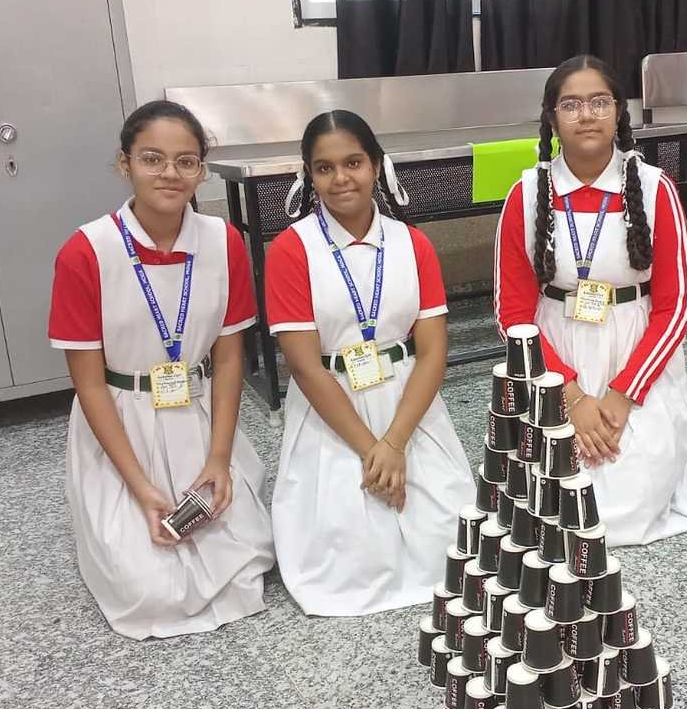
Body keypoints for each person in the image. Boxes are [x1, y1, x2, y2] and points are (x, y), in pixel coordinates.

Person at [48, 100, 275, 639]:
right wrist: (141, 486)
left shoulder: (223, 242)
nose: (170, 174)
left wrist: (219, 458)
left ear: (201, 170)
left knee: (249, 559)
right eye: (152, 159)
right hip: (121, 422)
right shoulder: (86, 251)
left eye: (186, 161)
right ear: (124, 163)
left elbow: (228, 358)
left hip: (195, 412)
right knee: (148, 591)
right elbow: (88, 383)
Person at [494, 54, 687, 547]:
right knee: (550, 503)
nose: (586, 115)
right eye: (571, 104)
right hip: (556, 360)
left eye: (599, 102)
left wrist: (622, 394)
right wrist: (570, 398)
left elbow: (676, 305)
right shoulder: (526, 194)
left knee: (625, 509)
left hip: (635, 355)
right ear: (552, 117)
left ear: (619, 111)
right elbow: (512, 314)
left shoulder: (655, 189)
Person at [264, 110, 473, 615]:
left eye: (353, 163)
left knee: (451, 542)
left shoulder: (412, 243)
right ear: (309, 176)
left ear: (377, 166)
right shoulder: (292, 249)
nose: (341, 179)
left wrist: (394, 443)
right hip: (332, 406)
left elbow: (433, 351)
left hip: (407, 403)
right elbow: (305, 367)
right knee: (348, 560)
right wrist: (371, 450)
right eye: (324, 168)